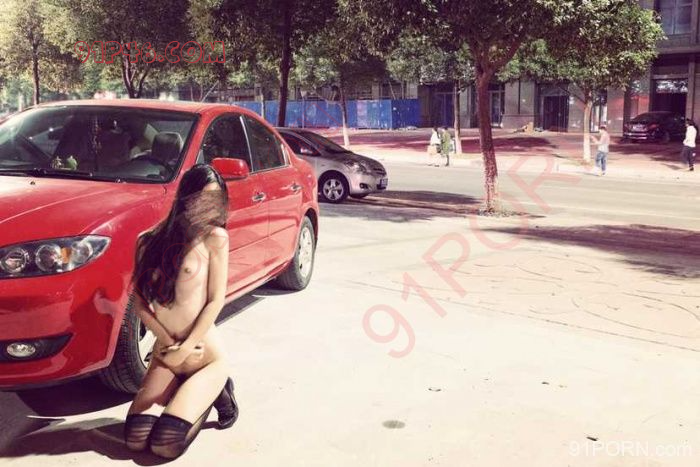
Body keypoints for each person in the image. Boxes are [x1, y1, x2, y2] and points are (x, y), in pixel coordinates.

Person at [124, 164, 239, 459]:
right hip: (167, 353)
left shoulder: (215, 238)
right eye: (201, 198)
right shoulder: (147, 241)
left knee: (165, 444)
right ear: (185, 197)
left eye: (215, 199)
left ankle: (219, 389)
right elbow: (139, 301)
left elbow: (215, 300)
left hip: (204, 355)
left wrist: (186, 347)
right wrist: (168, 344)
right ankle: (184, 389)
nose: (208, 207)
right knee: (135, 440)